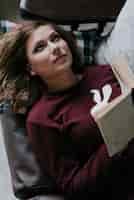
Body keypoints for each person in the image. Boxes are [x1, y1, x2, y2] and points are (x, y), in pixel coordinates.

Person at [0, 20, 134, 200]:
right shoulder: (41, 119)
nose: (54, 47)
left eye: (55, 38)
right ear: (30, 68)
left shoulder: (105, 72)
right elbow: (74, 187)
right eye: (40, 48)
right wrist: (117, 142)